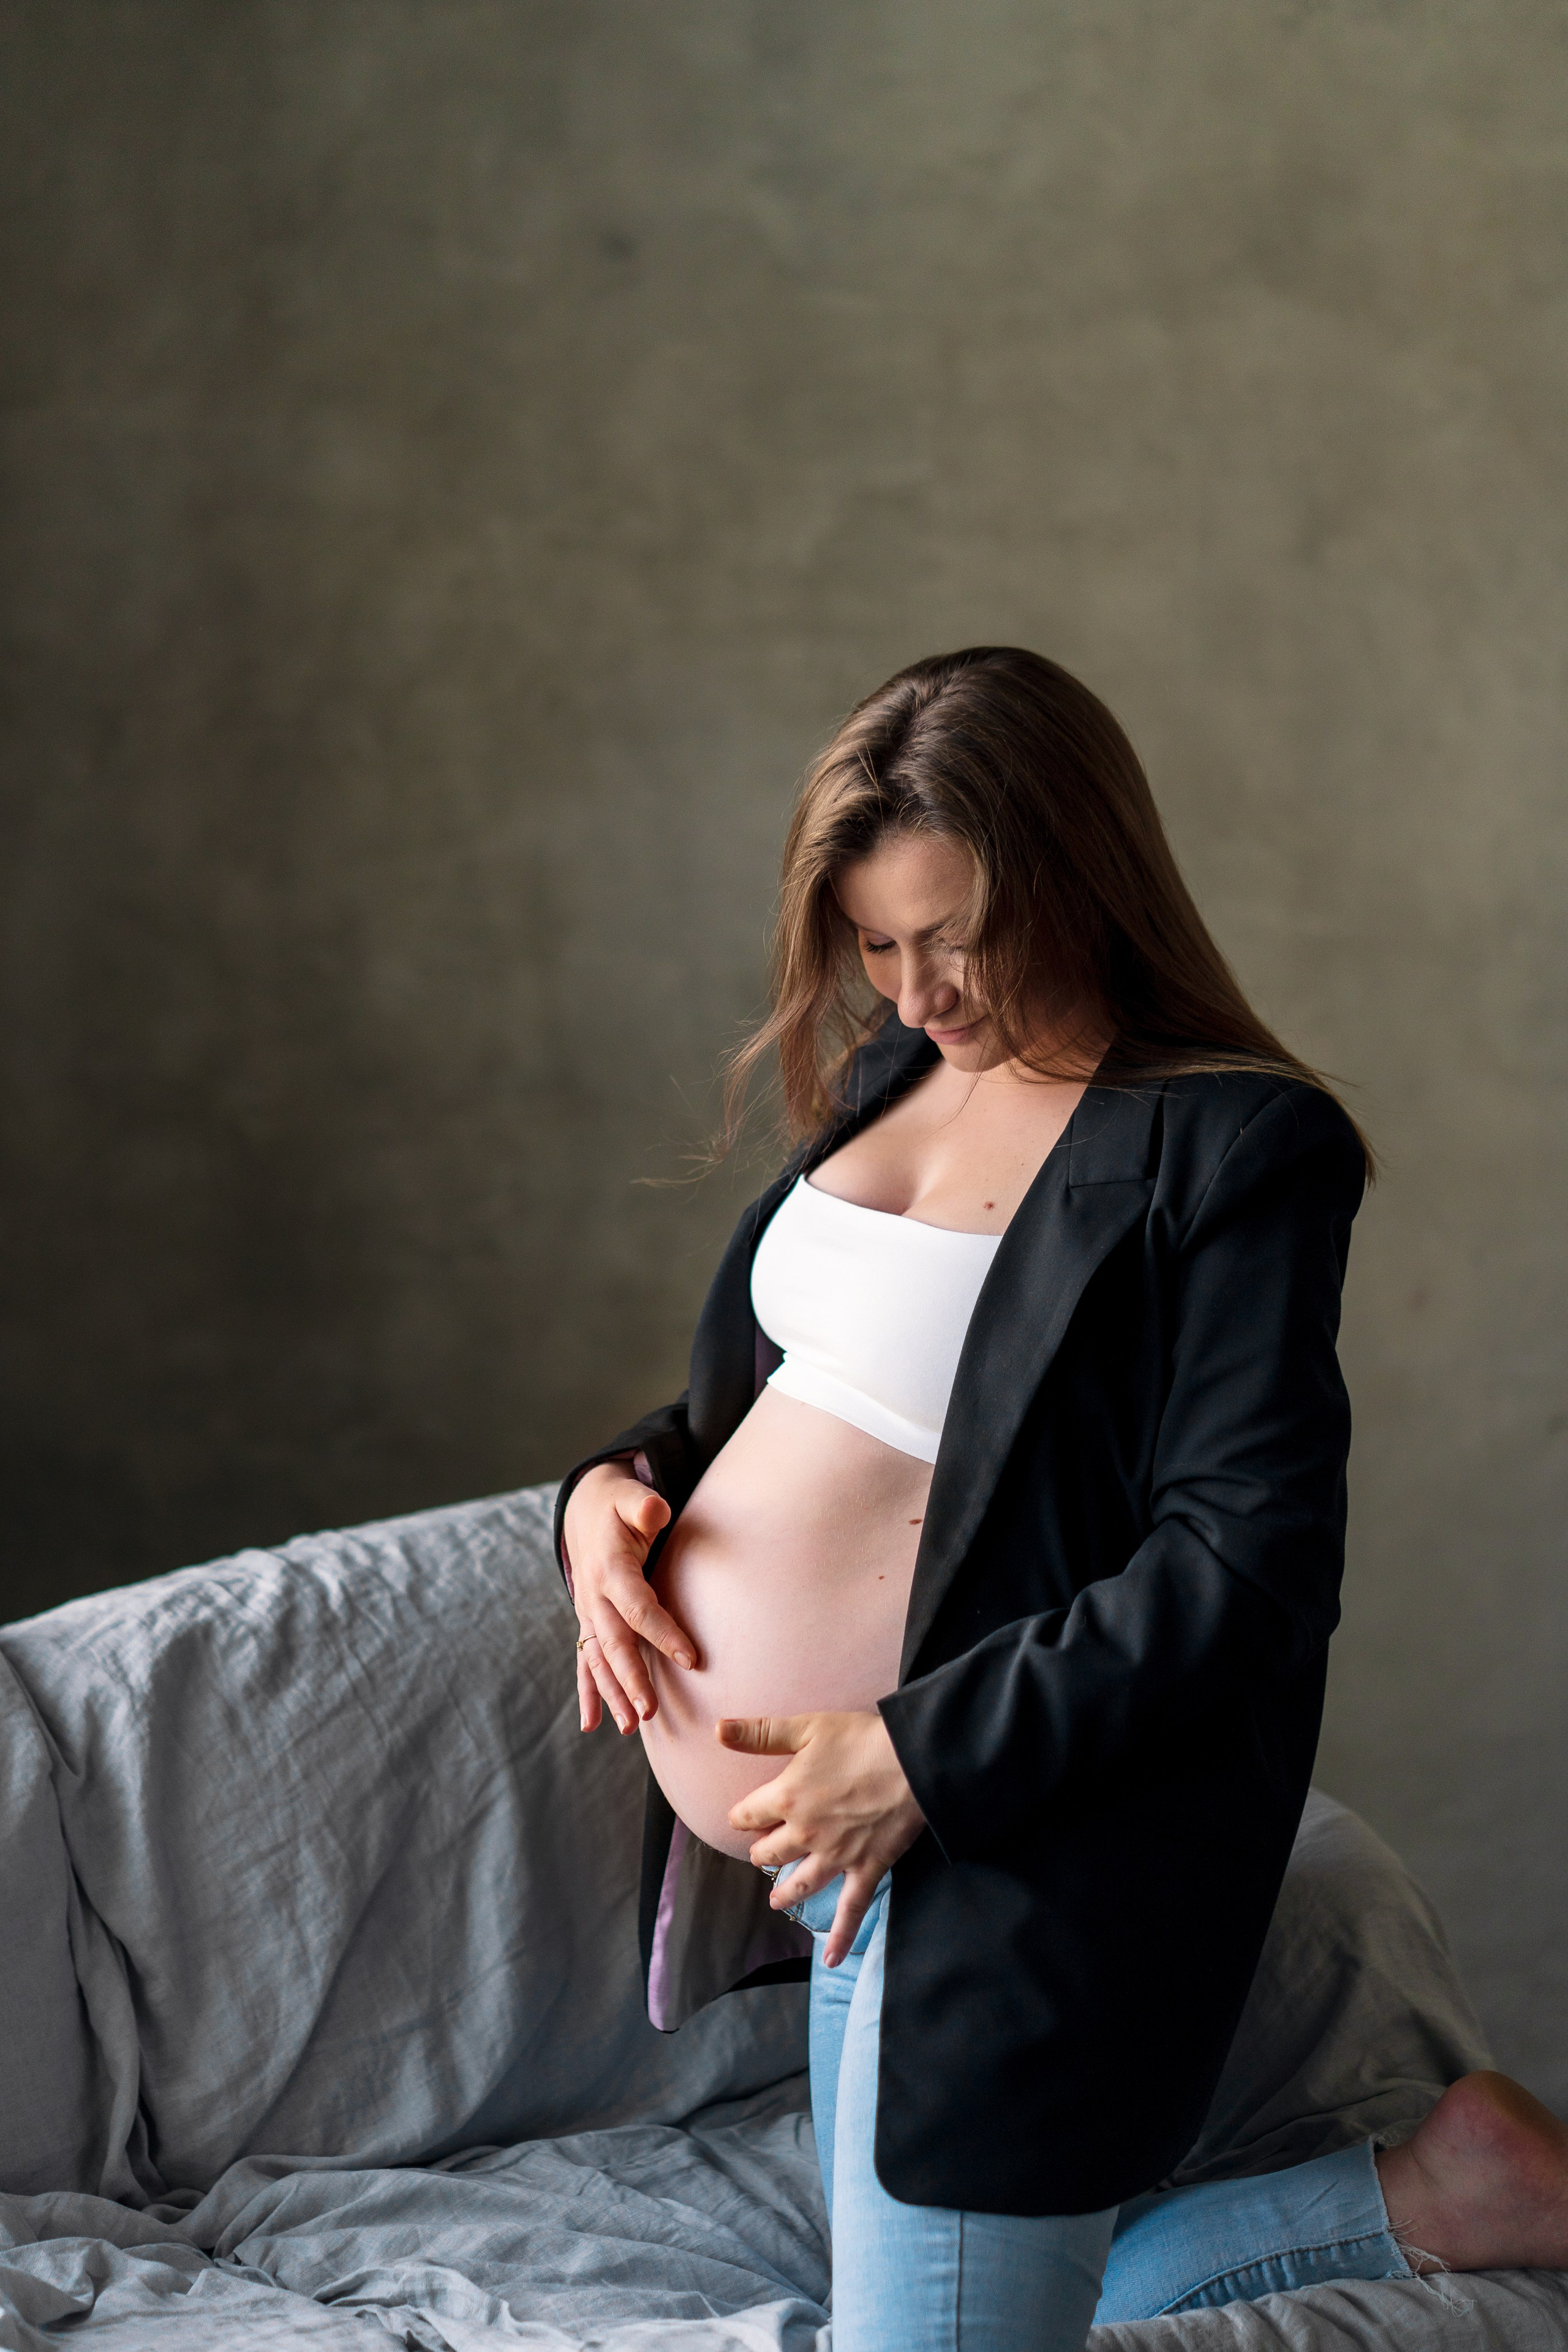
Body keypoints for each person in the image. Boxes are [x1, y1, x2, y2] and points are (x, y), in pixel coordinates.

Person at [557, 649, 1568, 2352]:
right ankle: (1443, 2192)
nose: (916, 987)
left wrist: (917, 1760)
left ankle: (1443, 2195)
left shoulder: (1235, 1153)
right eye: (876, 942)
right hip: (837, 1864)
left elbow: (1247, 1567)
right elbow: (808, 1388)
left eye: (954, 935)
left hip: (997, 1846)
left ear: (1078, 878)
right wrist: (613, 1490)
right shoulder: (900, 1071)